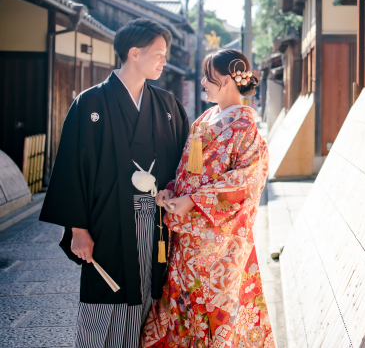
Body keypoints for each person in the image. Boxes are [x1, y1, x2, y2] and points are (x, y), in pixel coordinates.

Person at [40, 18, 190, 348]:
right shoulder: (90, 103)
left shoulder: (166, 105)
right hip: (107, 219)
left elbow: (185, 162)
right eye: (159, 53)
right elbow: (71, 168)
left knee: (152, 289)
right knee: (109, 293)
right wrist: (78, 230)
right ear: (134, 53)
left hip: (157, 218)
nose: (164, 61)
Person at [141, 49, 274, 348]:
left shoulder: (245, 126)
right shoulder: (206, 118)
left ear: (227, 80)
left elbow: (247, 182)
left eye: (208, 77)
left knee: (216, 306)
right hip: (188, 236)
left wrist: (194, 201)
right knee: (183, 302)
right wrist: (173, 190)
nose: (202, 82)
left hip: (220, 240)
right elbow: (191, 168)